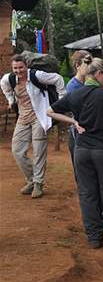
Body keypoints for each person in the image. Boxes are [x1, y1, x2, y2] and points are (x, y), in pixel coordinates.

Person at [47, 58, 103, 249]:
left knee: (87, 194)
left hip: (81, 150)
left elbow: (50, 111)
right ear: (98, 74)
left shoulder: (74, 94)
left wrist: (74, 122)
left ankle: (94, 238)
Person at [0, 54, 66, 198]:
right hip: (23, 118)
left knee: (38, 151)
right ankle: (31, 179)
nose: (18, 71)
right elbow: (4, 85)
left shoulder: (37, 76)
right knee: (17, 151)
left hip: (39, 117)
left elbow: (58, 79)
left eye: (21, 67)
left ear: (26, 66)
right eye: (15, 68)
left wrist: (61, 99)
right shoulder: (9, 79)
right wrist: (11, 99)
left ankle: (38, 184)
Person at [67, 50, 92, 180]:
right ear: (77, 65)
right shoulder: (73, 86)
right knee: (81, 171)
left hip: (89, 132)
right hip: (78, 133)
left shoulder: (89, 83)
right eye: (87, 63)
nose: (90, 66)